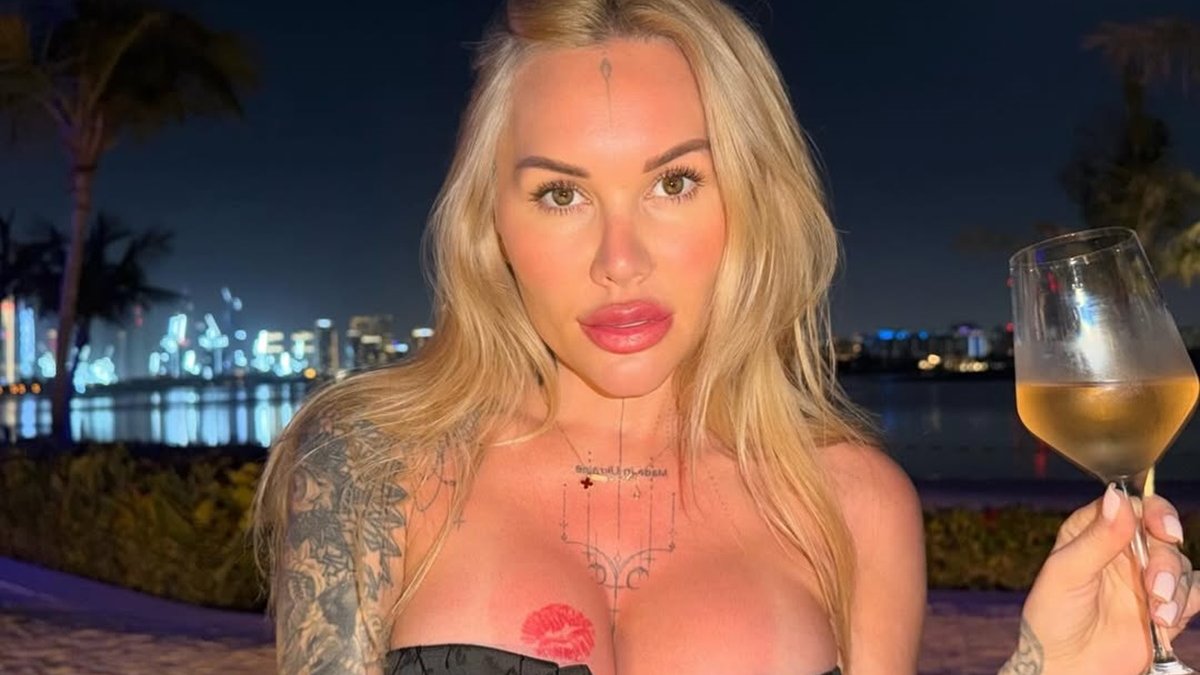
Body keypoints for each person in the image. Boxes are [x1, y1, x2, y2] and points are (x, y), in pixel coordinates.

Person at [252, 1, 1198, 673]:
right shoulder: (372, 464)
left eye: (675, 183)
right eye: (561, 193)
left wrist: (1051, 663)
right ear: (489, 222)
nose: (620, 260)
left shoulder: (852, 504)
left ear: (749, 199)